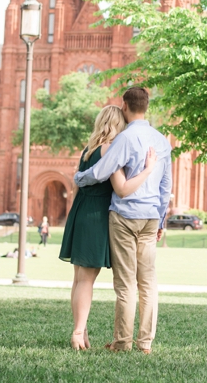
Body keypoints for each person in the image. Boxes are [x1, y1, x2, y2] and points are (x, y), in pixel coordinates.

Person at [74, 87, 172, 355]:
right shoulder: (162, 141)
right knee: (148, 282)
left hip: (125, 216)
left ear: (125, 106)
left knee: (126, 283)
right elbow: (166, 186)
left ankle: (122, 343)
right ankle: (146, 343)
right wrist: (161, 219)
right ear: (147, 106)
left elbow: (101, 171)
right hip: (151, 217)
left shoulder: (124, 139)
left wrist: (79, 178)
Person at [61, 104, 158, 351]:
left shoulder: (88, 150)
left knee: (79, 279)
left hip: (81, 212)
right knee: (86, 280)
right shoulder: (111, 150)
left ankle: (80, 333)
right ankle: (77, 333)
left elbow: (77, 185)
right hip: (96, 215)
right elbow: (121, 187)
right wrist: (148, 169)